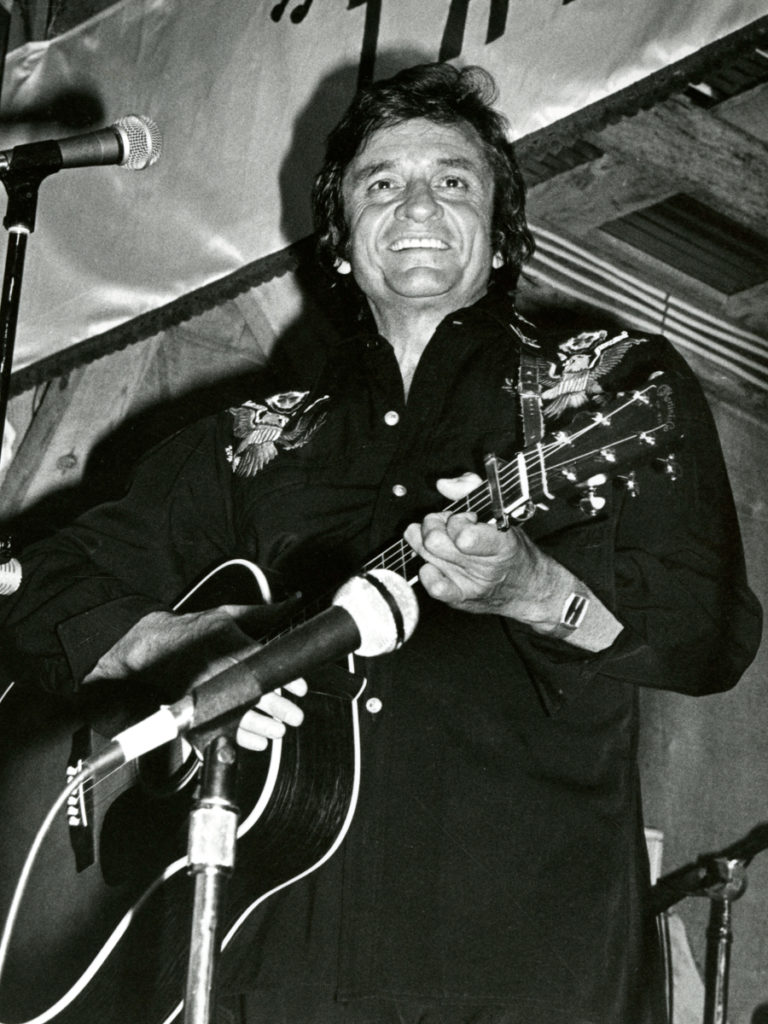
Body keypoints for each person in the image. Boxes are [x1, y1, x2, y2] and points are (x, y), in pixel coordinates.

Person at [0, 63, 762, 1024]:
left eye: (453, 181)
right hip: (266, 958)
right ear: (342, 247)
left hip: (524, 957)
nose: (418, 205)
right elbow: (37, 589)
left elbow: (703, 634)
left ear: (499, 242)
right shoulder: (254, 441)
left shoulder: (609, 387)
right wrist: (178, 647)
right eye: (381, 183)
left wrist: (533, 590)